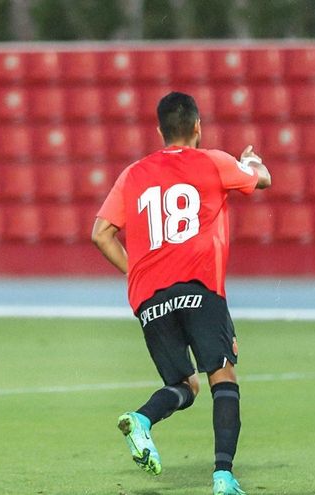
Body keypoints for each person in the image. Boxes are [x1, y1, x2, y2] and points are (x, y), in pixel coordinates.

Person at [92, 91, 271, 495]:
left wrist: (136, 270)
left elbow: (100, 234)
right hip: (200, 289)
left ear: (159, 131)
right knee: (222, 375)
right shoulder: (214, 160)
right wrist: (252, 161)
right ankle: (223, 477)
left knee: (184, 385)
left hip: (151, 300)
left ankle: (141, 420)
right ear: (197, 127)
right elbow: (262, 180)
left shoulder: (133, 174)